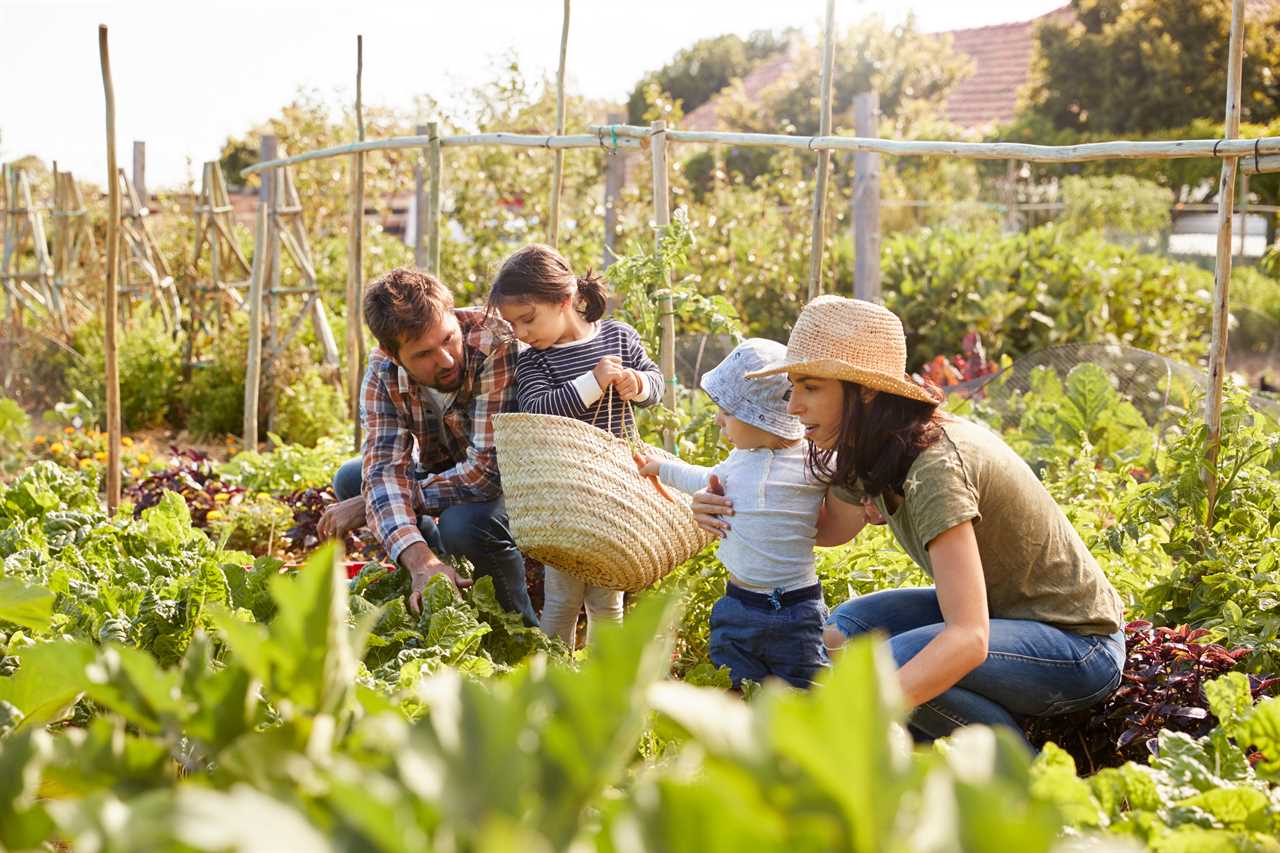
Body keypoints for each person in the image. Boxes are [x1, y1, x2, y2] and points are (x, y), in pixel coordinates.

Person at [694, 295, 1126, 741]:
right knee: (847, 634)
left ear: (864, 390)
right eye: (794, 387)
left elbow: (968, 638)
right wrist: (727, 505)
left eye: (810, 387)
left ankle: (1021, 780)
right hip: (1006, 618)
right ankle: (940, 744)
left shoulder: (936, 467)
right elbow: (827, 530)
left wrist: (851, 724)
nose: (793, 407)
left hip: (1078, 645)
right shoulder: (871, 449)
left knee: (890, 667)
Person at [317, 267, 538, 626]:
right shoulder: (382, 374)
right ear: (392, 353)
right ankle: (439, 587)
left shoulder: (494, 343)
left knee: (464, 524)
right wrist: (420, 559)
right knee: (353, 478)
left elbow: (484, 474)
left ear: (454, 318)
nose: (447, 359)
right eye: (423, 354)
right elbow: (384, 468)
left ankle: (521, 630)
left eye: (448, 339)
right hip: (449, 470)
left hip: (509, 480)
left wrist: (382, 500)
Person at [488, 243, 662, 646]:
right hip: (564, 498)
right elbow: (537, 410)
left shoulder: (618, 337)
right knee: (562, 598)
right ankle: (553, 681)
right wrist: (592, 382)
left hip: (614, 490)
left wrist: (637, 384)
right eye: (513, 325)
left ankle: (603, 683)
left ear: (565, 299)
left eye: (527, 319)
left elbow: (656, 384)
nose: (522, 333)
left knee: (608, 598)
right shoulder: (534, 361)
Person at [637, 338, 829, 689]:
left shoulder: (815, 462)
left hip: (799, 610)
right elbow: (699, 476)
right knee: (731, 683)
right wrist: (661, 468)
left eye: (728, 412)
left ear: (763, 419)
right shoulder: (736, 462)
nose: (718, 420)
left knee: (804, 688)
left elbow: (853, 476)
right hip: (738, 604)